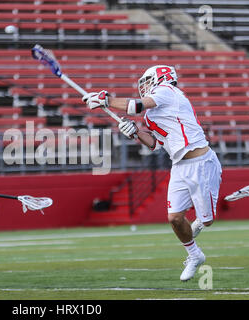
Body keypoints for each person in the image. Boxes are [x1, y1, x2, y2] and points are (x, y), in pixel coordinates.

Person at [83, 65, 222, 281]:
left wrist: (106, 100)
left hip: (201, 163)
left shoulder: (168, 91)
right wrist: (136, 132)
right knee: (175, 218)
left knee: (208, 221)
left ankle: (201, 221)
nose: (144, 86)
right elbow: (156, 144)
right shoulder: (151, 117)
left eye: (147, 81)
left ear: (161, 78)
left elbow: (134, 105)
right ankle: (195, 255)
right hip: (179, 165)